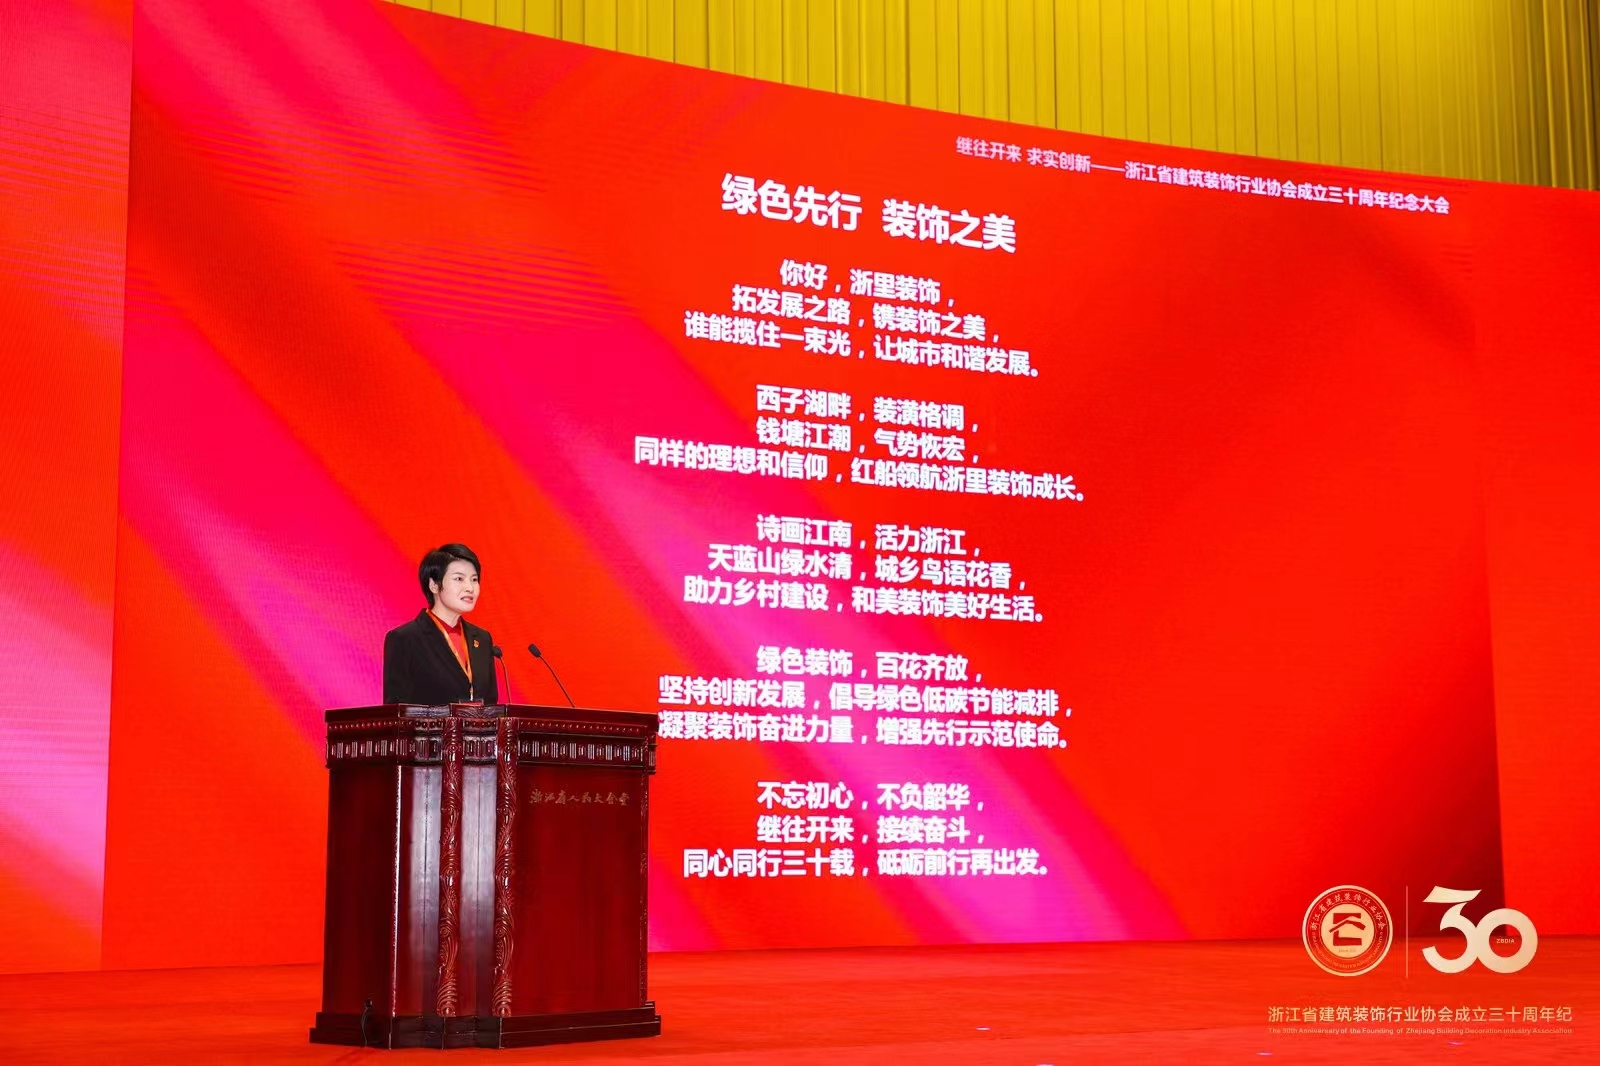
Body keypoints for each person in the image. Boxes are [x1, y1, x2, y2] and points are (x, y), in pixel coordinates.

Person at [383, 543, 499, 705]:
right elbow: (396, 710)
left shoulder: (482, 639)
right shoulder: (405, 639)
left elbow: (491, 703)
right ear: (434, 585)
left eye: (474, 579)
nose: (470, 588)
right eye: (459, 579)